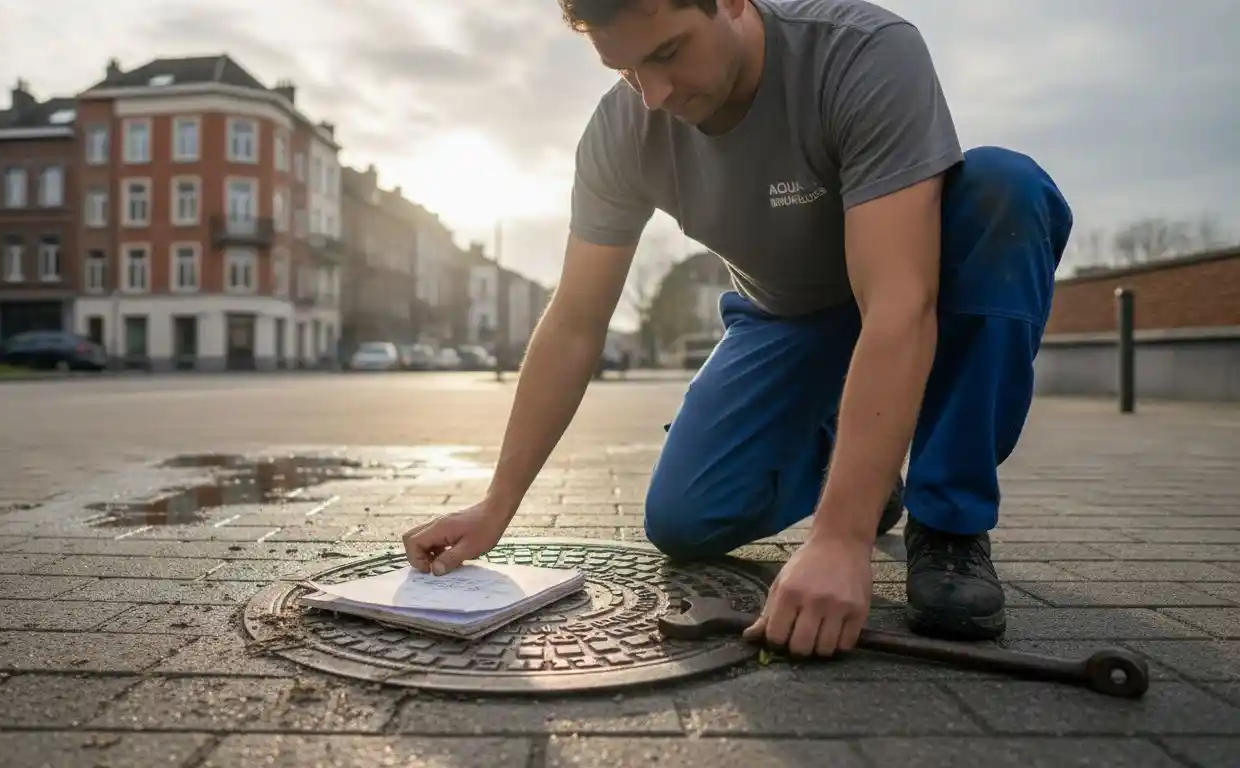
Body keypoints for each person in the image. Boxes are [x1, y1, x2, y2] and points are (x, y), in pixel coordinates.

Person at [402, 0, 1073, 658]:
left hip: (907, 275)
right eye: (628, 70)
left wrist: (839, 542)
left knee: (1001, 187)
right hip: (782, 313)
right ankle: (865, 473)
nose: (656, 95)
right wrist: (498, 503)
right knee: (685, 521)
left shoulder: (862, 51)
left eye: (667, 53)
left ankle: (949, 520)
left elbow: (899, 305)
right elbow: (576, 323)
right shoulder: (622, 130)